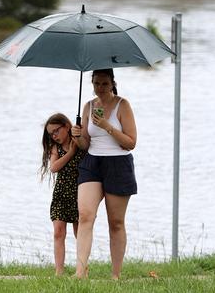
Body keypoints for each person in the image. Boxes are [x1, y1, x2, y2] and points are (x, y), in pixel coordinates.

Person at [71, 68, 137, 280]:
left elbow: (131, 143)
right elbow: (84, 144)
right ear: (92, 83)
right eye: (97, 83)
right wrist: (77, 136)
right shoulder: (89, 106)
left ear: (112, 83)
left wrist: (108, 126)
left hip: (118, 163)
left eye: (105, 84)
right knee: (85, 215)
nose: (100, 88)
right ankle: (80, 272)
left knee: (115, 222)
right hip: (92, 161)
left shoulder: (122, 105)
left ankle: (115, 275)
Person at [40, 113, 86, 276]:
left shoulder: (78, 142)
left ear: (67, 126)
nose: (54, 136)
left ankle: (82, 268)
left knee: (79, 232)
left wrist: (76, 147)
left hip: (79, 193)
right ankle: (59, 271)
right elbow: (54, 167)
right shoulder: (55, 148)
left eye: (56, 131)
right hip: (61, 194)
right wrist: (70, 153)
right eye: (51, 133)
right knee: (58, 232)